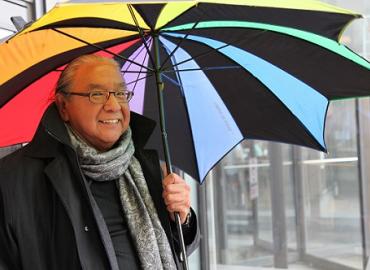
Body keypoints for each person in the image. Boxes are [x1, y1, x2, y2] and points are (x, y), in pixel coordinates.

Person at [0, 54, 199, 270]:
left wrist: (183, 218)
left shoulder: (149, 168)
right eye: (97, 94)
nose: (113, 105)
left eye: (121, 93)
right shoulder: (12, 179)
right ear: (64, 106)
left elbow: (174, 250)